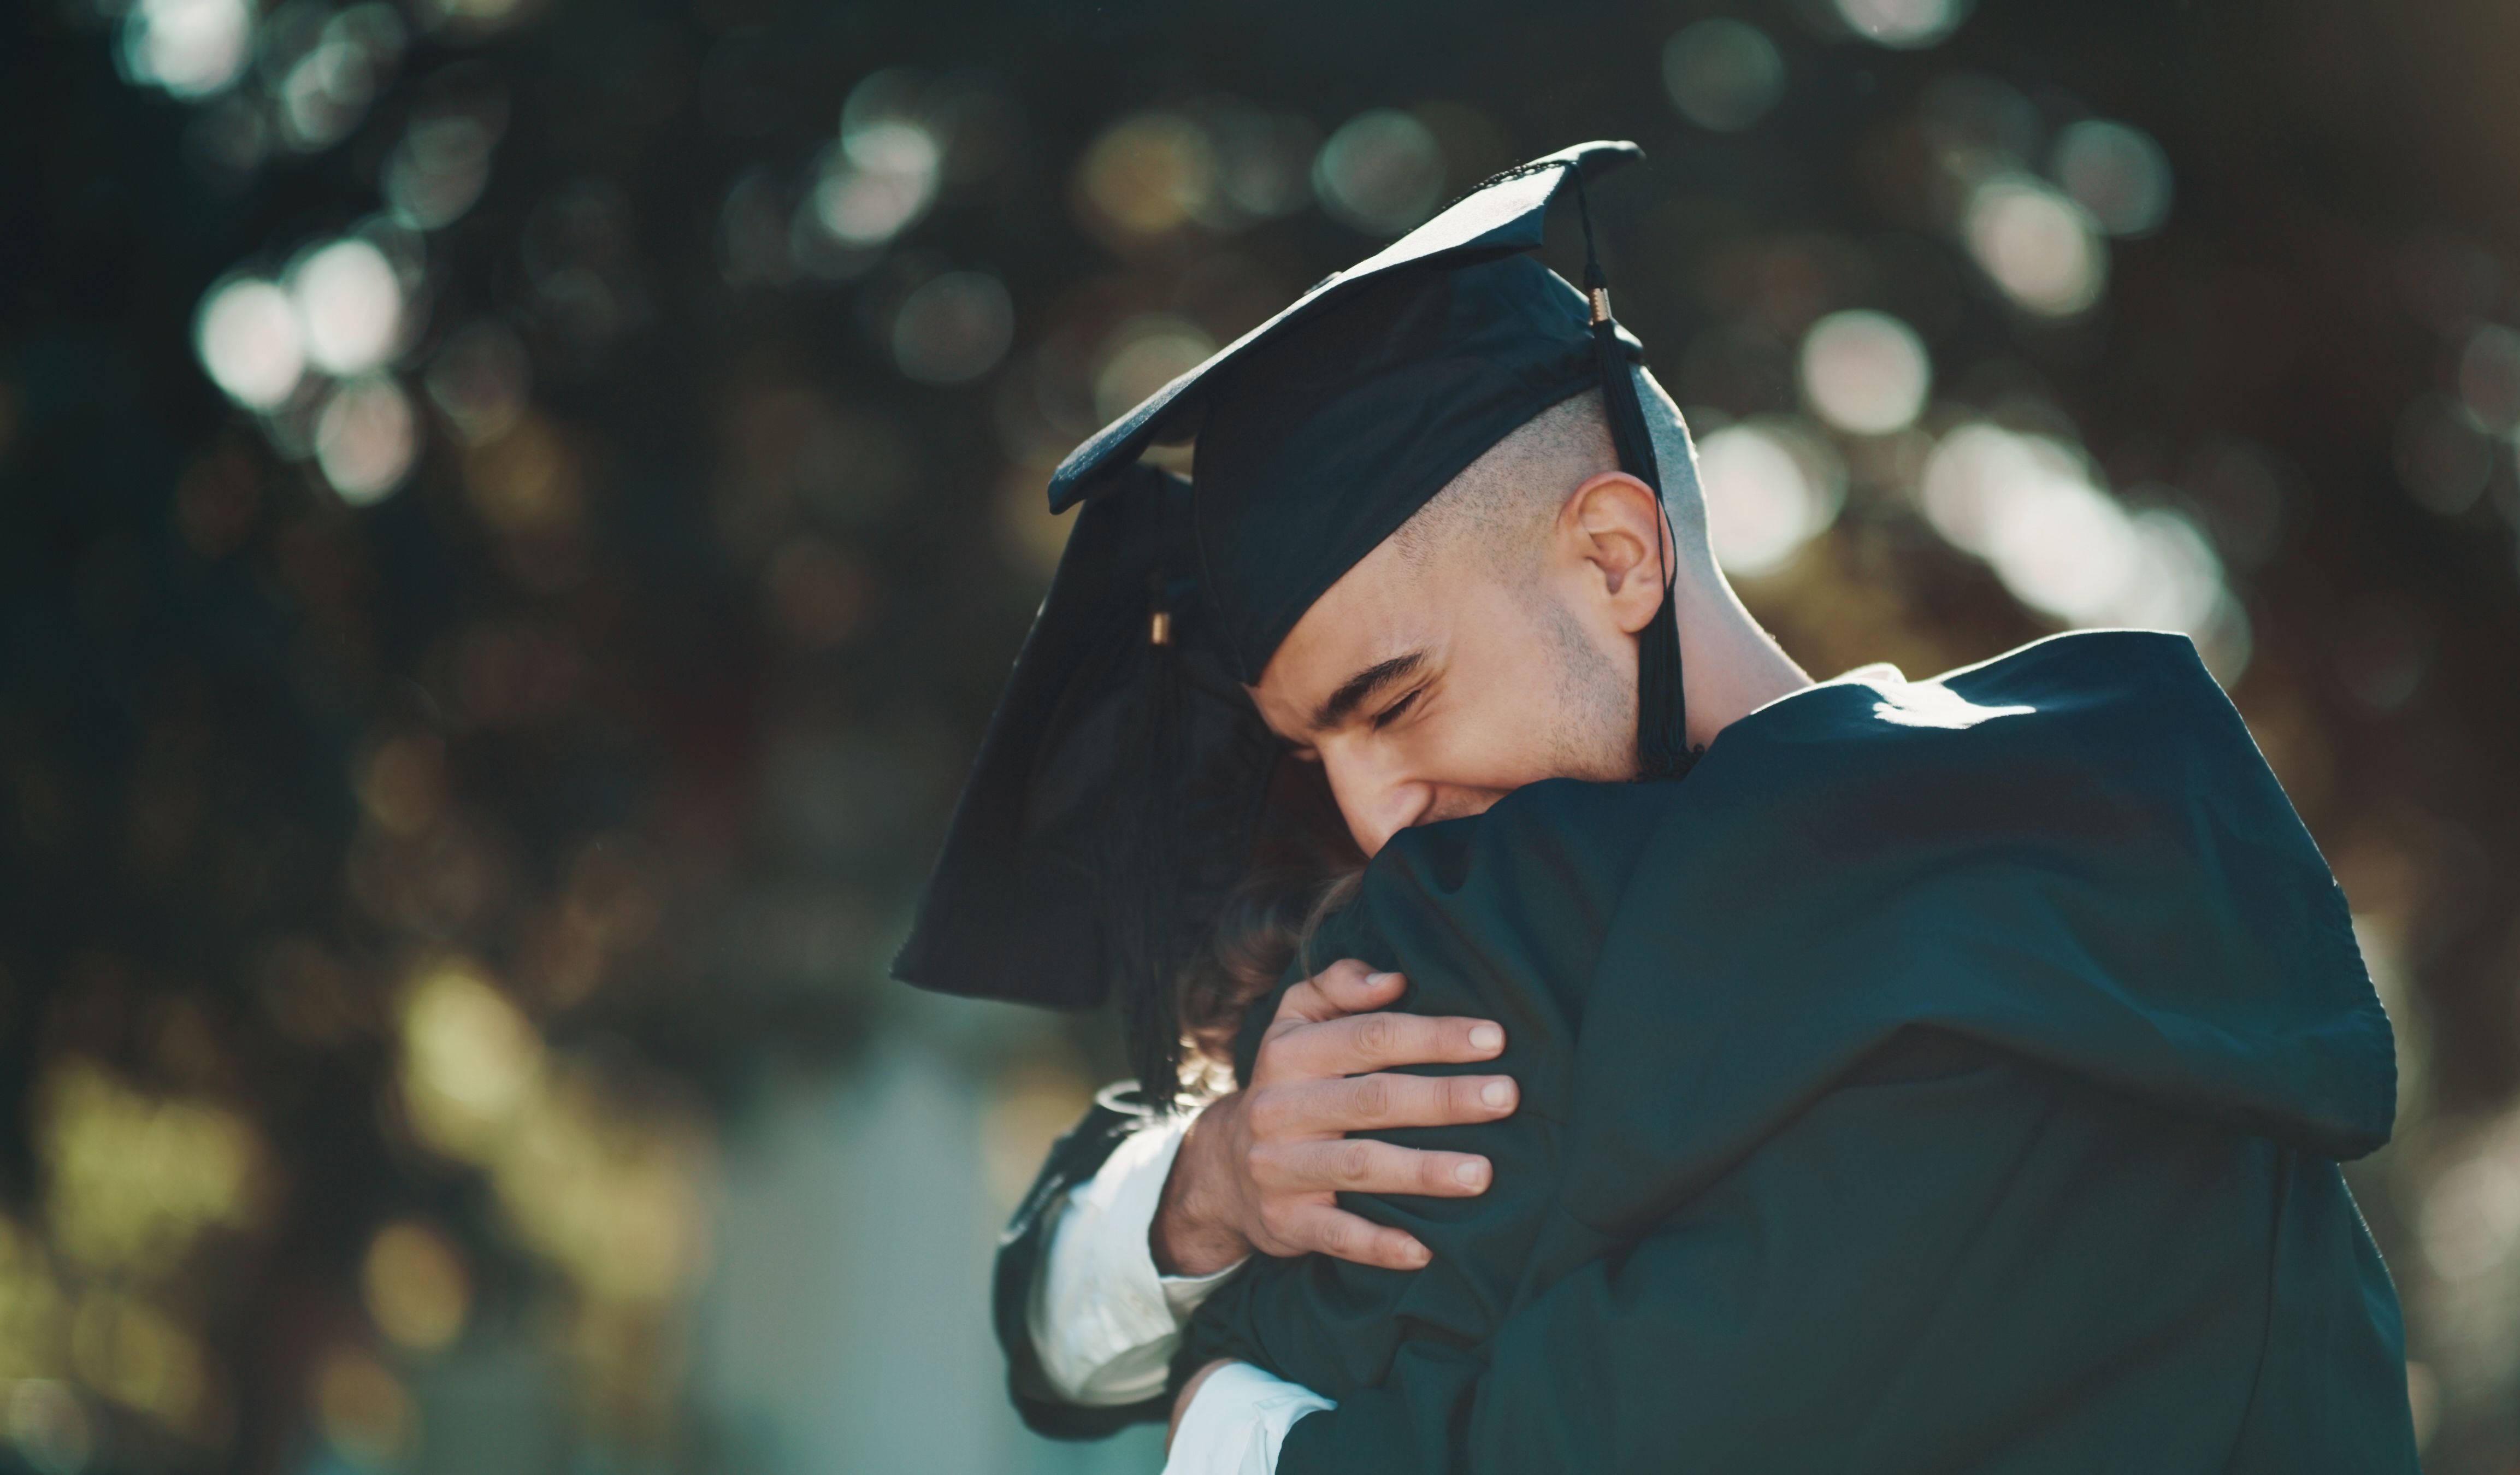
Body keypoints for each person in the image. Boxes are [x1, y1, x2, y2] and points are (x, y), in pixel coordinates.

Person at [894, 142, 2416, 1472]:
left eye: (1393, 700)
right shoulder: (1539, 920)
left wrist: (1234, 1421)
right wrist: (1219, 1178)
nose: (1375, 813)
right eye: (1316, 752)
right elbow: (1051, 1310)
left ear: (1619, 559)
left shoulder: (2012, 937)